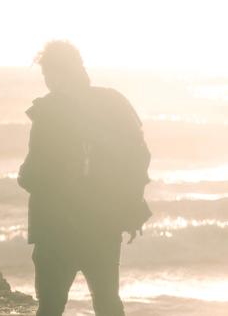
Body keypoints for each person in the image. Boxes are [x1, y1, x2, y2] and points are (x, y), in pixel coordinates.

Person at [18, 41, 151, 316]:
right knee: (108, 304)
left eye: (48, 74)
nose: (47, 82)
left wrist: (24, 177)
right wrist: (132, 205)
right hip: (103, 225)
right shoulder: (114, 103)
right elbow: (139, 158)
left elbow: (32, 174)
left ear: (57, 74)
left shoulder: (49, 111)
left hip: (56, 228)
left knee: (50, 307)